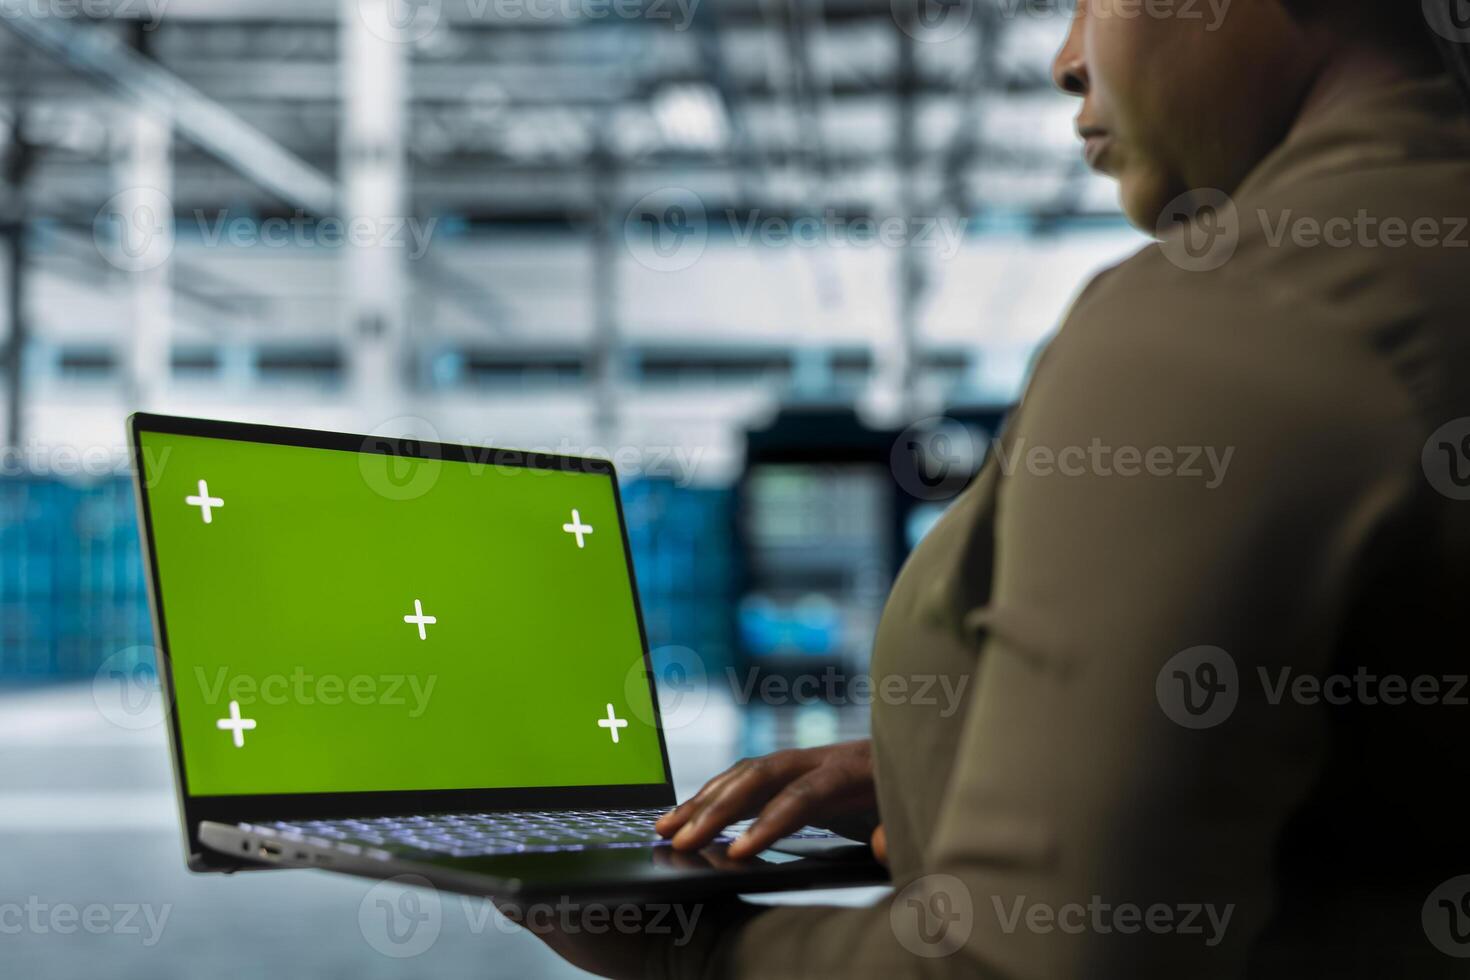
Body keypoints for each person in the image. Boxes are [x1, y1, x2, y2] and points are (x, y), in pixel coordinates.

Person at [525, 1, 1470, 975]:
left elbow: (1014, 964)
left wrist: (691, 951)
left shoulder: (1225, 322)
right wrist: (970, 765)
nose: (1068, 59)